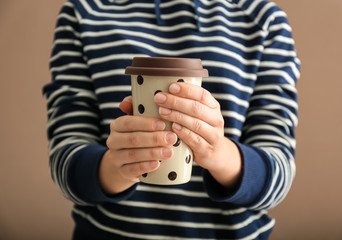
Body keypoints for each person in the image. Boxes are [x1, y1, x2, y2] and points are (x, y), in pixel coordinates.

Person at [43, 0, 300, 239]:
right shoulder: (84, 13)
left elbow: (279, 173)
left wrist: (219, 153)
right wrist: (117, 166)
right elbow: (64, 158)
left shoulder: (263, 20)